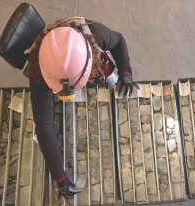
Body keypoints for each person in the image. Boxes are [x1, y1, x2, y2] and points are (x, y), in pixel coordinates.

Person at [27, 17, 139, 198]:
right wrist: (59, 176)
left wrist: (125, 71)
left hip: (93, 59)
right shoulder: (38, 69)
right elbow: (43, 122)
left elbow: (118, 40)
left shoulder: (94, 34)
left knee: (115, 83)